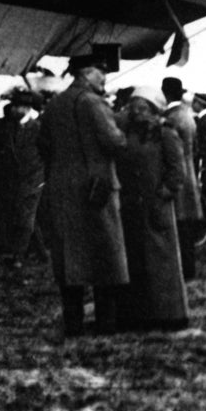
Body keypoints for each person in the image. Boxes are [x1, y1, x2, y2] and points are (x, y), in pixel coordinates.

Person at [38, 53, 128, 337]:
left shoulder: (55, 103)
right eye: (101, 72)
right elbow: (114, 141)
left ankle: (73, 322)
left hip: (62, 187)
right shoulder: (92, 102)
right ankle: (107, 323)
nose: (104, 78)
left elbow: (44, 145)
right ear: (86, 73)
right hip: (96, 187)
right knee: (105, 255)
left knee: (69, 258)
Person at [113, 87, 189, 331]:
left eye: (143, 108)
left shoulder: (165, 134)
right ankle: (139, 315)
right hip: (132, 207)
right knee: (136, 261)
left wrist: (163, 195)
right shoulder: (126, 133)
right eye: (134, 107)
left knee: (162, 261)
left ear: (155, 110)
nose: (137, 113)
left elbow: (177, 172)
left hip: (157, 206)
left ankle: (168, 315)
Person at [0, 89, 49, 269]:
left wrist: (42, 174)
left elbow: (46, 153)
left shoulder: (38, 127)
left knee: (25, 218)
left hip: (34, 177)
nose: (12, 110)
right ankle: (42, 253)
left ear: (26, 108)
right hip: (18, 178)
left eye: (17, 107)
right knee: (27, 216)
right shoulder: (11, 127)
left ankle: (18, 256)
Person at [161, 77, 203, 280]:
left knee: (179, 227)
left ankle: (183, 270)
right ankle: (188, 269)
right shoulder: (187, 115)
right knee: (185, 227)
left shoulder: (172, 118)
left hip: (177, 174)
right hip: (189, 175)